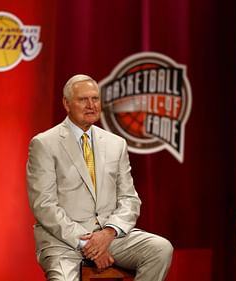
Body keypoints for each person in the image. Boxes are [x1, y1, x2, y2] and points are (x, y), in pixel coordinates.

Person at [26, 74, 173, 280]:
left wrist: (109, 232)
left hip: (109, 237)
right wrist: (88, 243)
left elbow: (129, 200)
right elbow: (44, 205)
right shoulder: (44, 143)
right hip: (63, 242)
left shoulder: (116, 143)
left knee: (160, 249)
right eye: (83, 99)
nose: (91, 105)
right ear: (66, 104)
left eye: (95, 99)